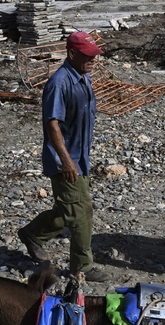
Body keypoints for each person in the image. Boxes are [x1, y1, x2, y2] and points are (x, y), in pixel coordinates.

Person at [17, 32, 109, 283]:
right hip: (65, 160)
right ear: (72, 54)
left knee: (69, 208)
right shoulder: (59, 83)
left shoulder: (83, 77)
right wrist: (66, 160)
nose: (93, 61)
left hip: (79, 157)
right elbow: (52, 124)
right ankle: (83, 267)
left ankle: (33, 234)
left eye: (95, 56)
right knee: (81, 212)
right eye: (88, 56)